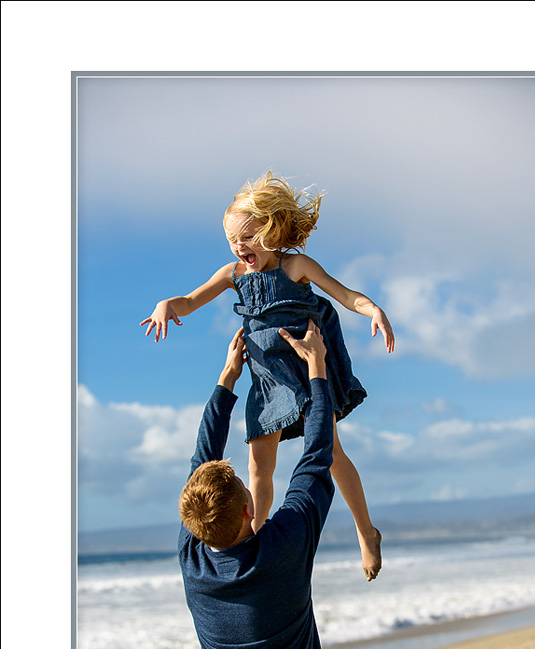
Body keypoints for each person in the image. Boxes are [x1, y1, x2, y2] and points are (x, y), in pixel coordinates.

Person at [141, 171, 395, 581]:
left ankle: (366, 532)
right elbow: (190, 300)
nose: (239, 247)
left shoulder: (296, 266)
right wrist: (165, 304)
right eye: (231, 241)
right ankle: (255, 539)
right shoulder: (233, 275)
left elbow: (344, 295)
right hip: (264, 381)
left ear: (271, 228)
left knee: (330, 454)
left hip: (305, 369)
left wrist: (373, 310)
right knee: (258, 466)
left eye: (247, 237)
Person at [178, 321, 345, 649]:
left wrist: (228, 379)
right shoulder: (286, 546)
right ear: (250, 506)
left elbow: (200, 465)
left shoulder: (194, 561)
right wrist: (318, 368)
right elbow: (316, 458)